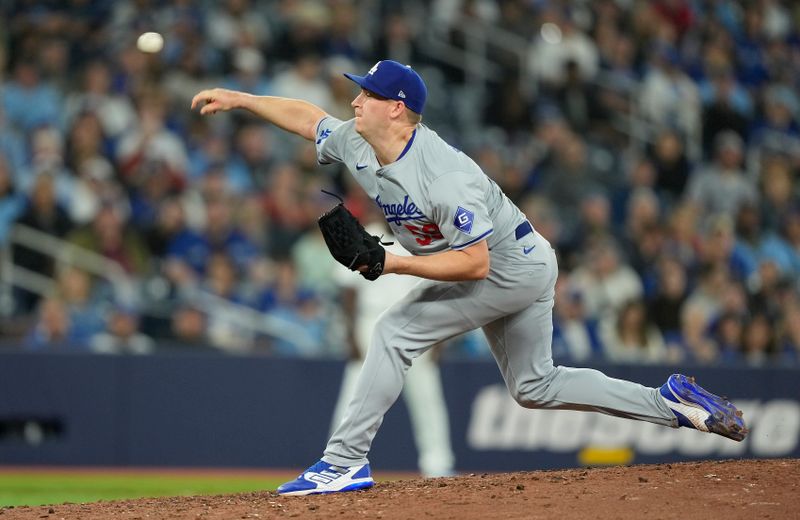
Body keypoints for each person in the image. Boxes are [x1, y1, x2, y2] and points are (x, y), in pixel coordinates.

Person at [191, 60, 748, 496]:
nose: (355, 99)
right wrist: (241, 99)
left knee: (393, 332)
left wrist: (392, 263)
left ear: (398, 109)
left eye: (368, 94)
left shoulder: (444, 174)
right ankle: (669, 402)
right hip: (527, 261)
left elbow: (476, 263)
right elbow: (308, 119)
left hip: (506, 266)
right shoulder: (360, 143)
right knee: (535, 386)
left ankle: (342, 463)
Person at [331, 213, 455, 478]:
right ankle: (337, 462)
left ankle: (438, 464)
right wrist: (350, 334)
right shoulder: (368, 233)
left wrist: (439, 339)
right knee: (354, 396)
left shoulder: (422, 236)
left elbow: (440, 287)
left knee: (427, 397)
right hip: (370, 322)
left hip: (416, 324)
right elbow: (349, 291)